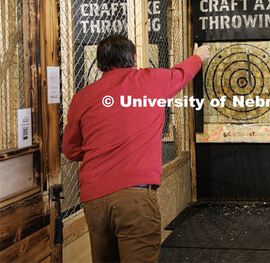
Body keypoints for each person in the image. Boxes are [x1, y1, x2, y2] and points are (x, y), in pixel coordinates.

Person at [62, 34, 210, 263]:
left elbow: (71, 150)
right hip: (135, 197)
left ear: (100, 63)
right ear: (132, 59)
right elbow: (181, 73)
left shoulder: (82, 98)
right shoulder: (151, 80)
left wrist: (100, 150)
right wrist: (198, 57)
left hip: (94, 201)